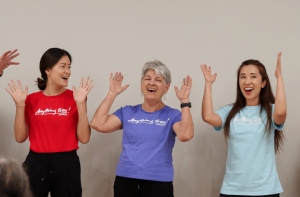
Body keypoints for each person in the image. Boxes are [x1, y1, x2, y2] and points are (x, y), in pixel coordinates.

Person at [91, 60, 194, 197]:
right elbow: (98, 124)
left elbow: (185, 135)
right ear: (141, 84)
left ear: (166, 88)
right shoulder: (127, 112)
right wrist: (112, 93)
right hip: (126, 178)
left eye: (158, 80)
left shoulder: (172, 114)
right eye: (147, 79)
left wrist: (184, 101)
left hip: (159, 181)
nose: (151, 83)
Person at [6, 48, 94, 197]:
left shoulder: (76, 97)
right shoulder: (31, 99)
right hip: (36, 161)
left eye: (69, 66)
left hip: (66, 163)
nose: (68, 71)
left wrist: (81, 105)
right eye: (63, 66)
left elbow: (84, 138)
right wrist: (20, 105)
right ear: (48, 70)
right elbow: (20, 138)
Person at [201, 53, 286, 197]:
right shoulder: (230, 111)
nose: (247, 81)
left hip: (265, 190)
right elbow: (208, 117)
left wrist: (279, 78)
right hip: (232, 189)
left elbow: (281, 112)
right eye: (243, 77)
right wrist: (208, 84)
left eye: (253, 76)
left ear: (263, 82)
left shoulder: (271, 110)